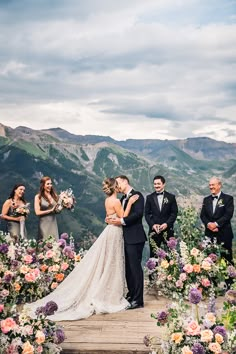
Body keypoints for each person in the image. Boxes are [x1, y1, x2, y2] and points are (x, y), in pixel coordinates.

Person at [25, 177, 139, 320]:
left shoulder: (107, 201)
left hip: (110, 229)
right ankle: (109, 293)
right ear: (115, 188)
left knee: (108, 260)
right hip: (115, 232)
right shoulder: (116, 201)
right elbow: (124, 217)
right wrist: (130, 203)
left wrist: (111, 218)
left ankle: (107, 288)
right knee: (112, 261)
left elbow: (108, 216)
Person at [106, 175, 146, 310]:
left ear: (125, 181)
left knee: (135, 268)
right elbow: (121, 214)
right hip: (124, 237)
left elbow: (138, 214)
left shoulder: (137, 195)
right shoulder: (123, 199)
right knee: (128, 268)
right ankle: (131, 294)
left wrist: (121, 221)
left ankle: (138, 300)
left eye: (118, 183)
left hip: (135, 237)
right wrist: (110, 218)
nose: (116, 186)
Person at [200, 176, 234, 265]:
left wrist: (216, 224)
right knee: (209, 260)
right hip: (209, 234)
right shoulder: (206, 199)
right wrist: (208, 224)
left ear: (219, 185)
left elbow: (228, 215)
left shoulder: (228, 199)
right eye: (209, 185)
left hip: (224, 234)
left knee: (227, 259)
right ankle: (212, 279)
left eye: (213, 185)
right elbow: (202, 215)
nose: (211, 187)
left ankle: (230, 278)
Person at [145, 175, 178, 257]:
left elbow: (174, 213)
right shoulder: (149, 198)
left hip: (168, 232)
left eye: (158, 184)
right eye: (155, 184)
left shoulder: (171, 197)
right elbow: (146, 214)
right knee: (154, 257)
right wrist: (153, 225)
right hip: (154, 233)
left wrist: (167, 224)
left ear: (164, 184)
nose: (156, 186)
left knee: (170, 257)